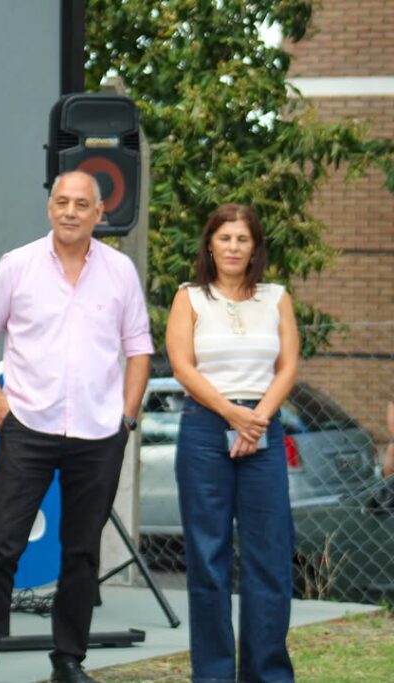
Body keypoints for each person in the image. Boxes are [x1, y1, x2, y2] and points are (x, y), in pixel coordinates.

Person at [0, 171, 152, 683]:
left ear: (99, 213)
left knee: (81, 553)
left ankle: (69, 660)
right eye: (62, 202)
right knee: (2, 545)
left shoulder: (120, 272)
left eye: (81, 204)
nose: (70, 212)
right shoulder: (18, 265)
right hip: (27, 426)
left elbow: (139, 349)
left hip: (98, 433)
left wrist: (126, 419)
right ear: (49, 207)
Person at [165, 203, 299, 683]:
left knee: (270, 558)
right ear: (210, 244)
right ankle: (214, 675)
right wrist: (231, 414)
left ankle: (268, 674)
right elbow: (182, 366)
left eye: (243, 239)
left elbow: (288, 366)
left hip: (263, 428)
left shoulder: (276, 297)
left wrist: (255, 421)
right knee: (208, 559)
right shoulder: (189, 298)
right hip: (205, 429)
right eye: (225, 238)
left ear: (255, 246)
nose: (234, 247)